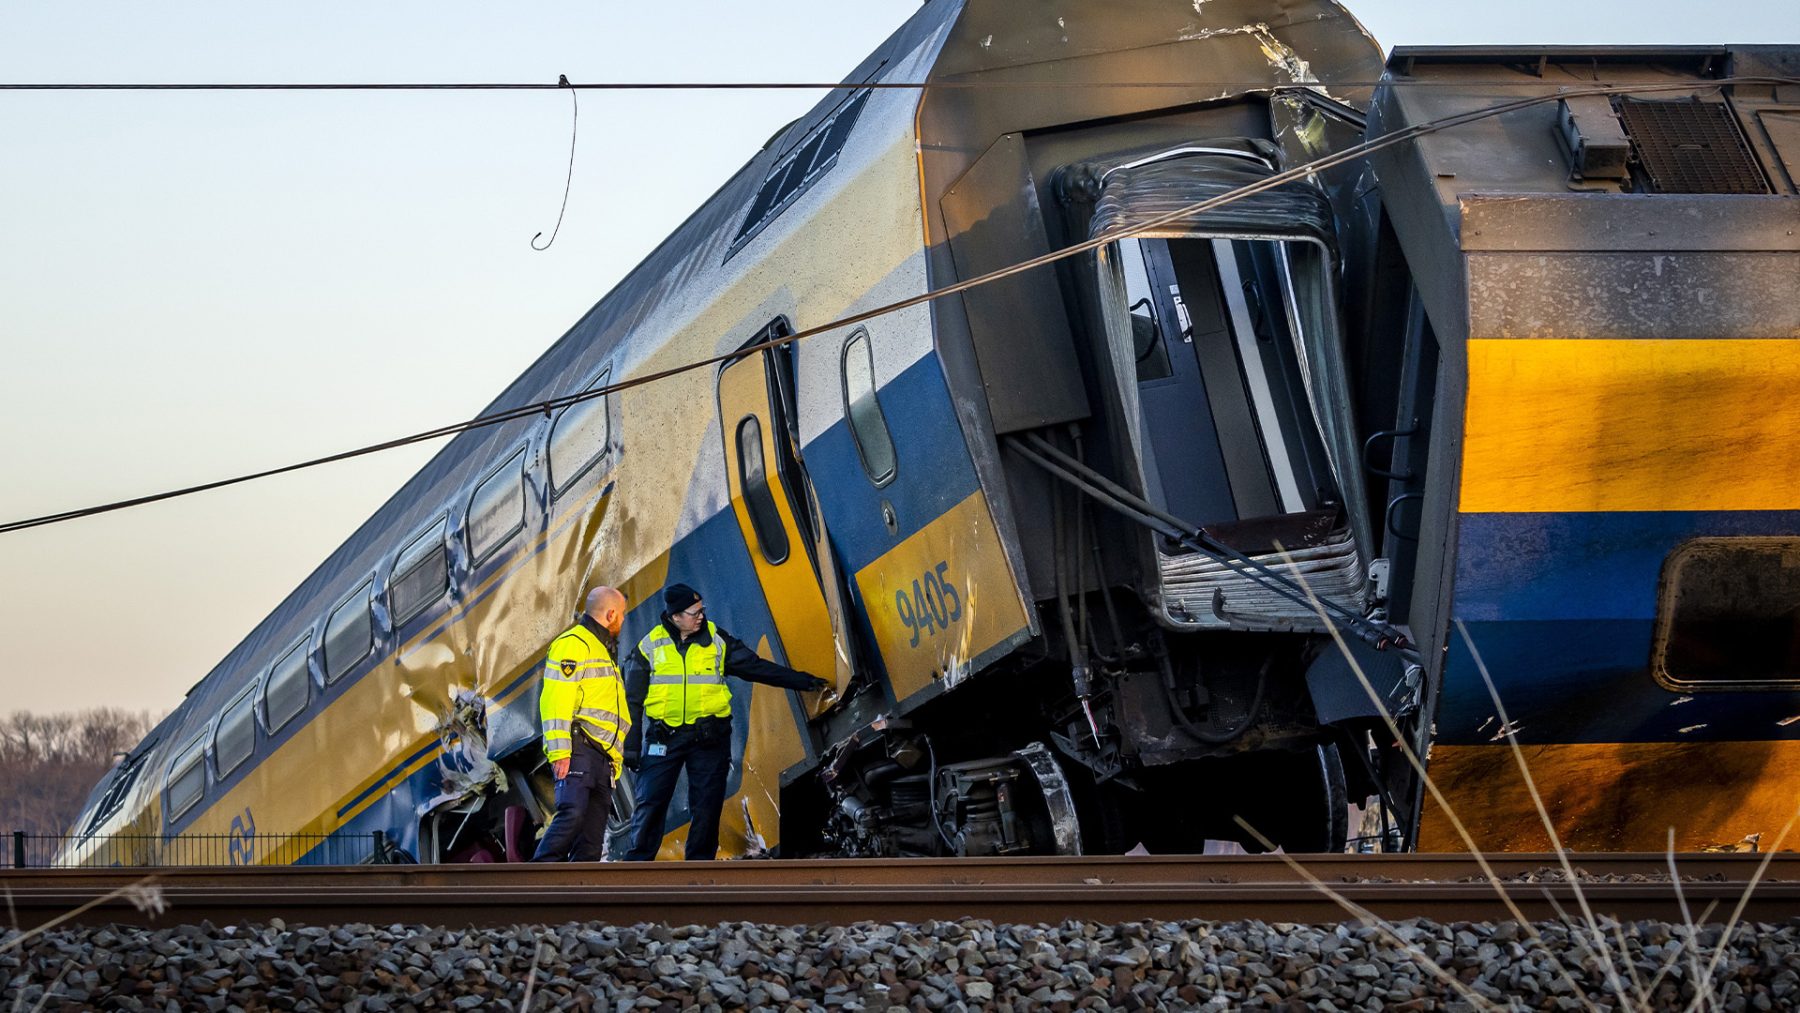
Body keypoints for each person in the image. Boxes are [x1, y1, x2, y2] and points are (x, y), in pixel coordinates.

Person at [622, 583, 830, 861]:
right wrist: (631, 745)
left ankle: (699, 868)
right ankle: (638, 867)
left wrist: (800, 680)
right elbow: (632, 702)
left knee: (706, 805)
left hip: (709, 738)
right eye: (693, 612)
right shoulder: (649, 646)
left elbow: (754, 667)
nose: (700, 616)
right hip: (664, 738)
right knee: (651, 801)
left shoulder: (717, 639)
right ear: (675, 617)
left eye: (701, 610)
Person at [531, 585, 631, 862]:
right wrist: (561, 751)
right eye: (621, 615)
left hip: (601, 759)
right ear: (611, 614)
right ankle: (534, 881)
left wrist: (615, 760)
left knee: (591, 838)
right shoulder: (575, 644)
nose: (622, 621)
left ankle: (578, 897)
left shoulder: (599, 648)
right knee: (572, 814)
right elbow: (555, 700)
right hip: (580, 749)